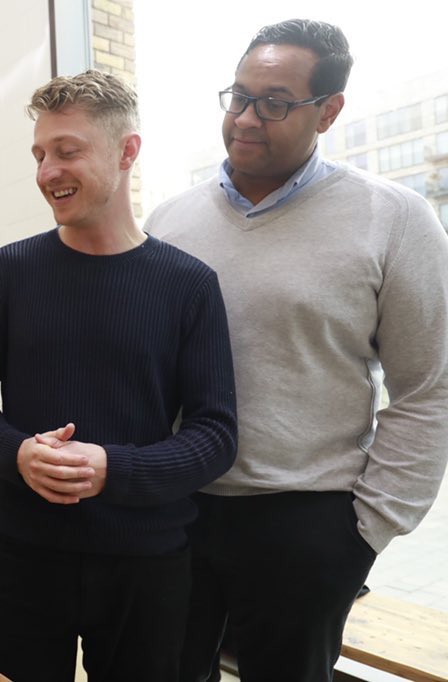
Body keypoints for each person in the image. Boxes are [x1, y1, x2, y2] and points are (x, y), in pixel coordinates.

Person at [145, 19, 448, 682]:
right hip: (176, 509)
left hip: (306, 523)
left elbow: (428, 388)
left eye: (275, 103)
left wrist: (364, 531)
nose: (247, 119)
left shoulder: (393, 217)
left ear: (329, 111)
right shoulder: (169, 221)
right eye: (239, 96)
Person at [0, 70, 238, 681]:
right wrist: (17, 452)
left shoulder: (188, 284)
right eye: (40, 154)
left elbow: (216, 434)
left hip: (148, 560)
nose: (46, 171)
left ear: (127, 151)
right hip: (29, 552)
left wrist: (114, 468)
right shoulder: (12, 271)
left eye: (67, 151)